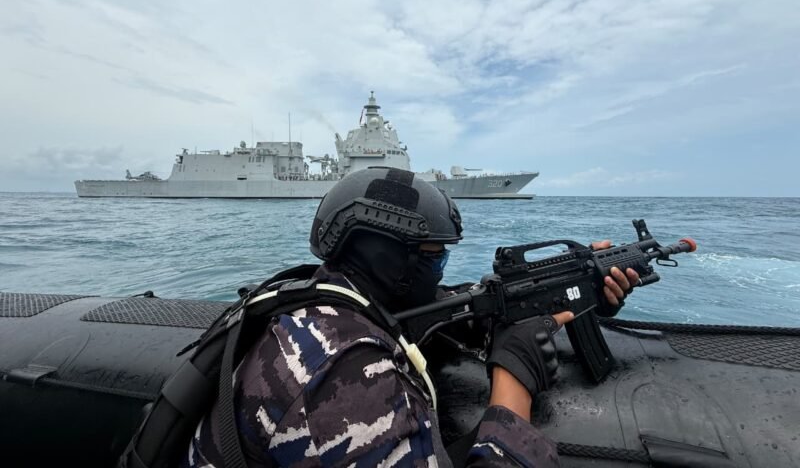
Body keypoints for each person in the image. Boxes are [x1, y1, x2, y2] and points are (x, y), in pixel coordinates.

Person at [184, 167, 638, 467]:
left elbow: (444, 306)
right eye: (433, 255)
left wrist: (574, 290)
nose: (439, 268)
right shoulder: (343, 370)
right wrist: (514, 380)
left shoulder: (317, 299)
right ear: (390, 261)